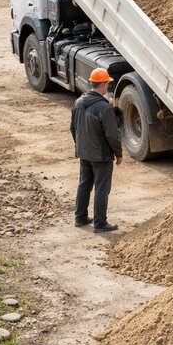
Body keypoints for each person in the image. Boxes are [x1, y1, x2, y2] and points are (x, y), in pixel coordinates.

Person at [70, 67, 123, 233]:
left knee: (84, 185)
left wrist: (79, 146)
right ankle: (100, 223)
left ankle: (80, 217)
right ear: (103, 85)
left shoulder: (78, 102)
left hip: (84, 152)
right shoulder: (104, 108)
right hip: (101, 156)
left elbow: (73, 128)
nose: (108, 86)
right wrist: (118, 153)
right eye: (107, 83)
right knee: (102, 189)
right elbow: (112, 135)